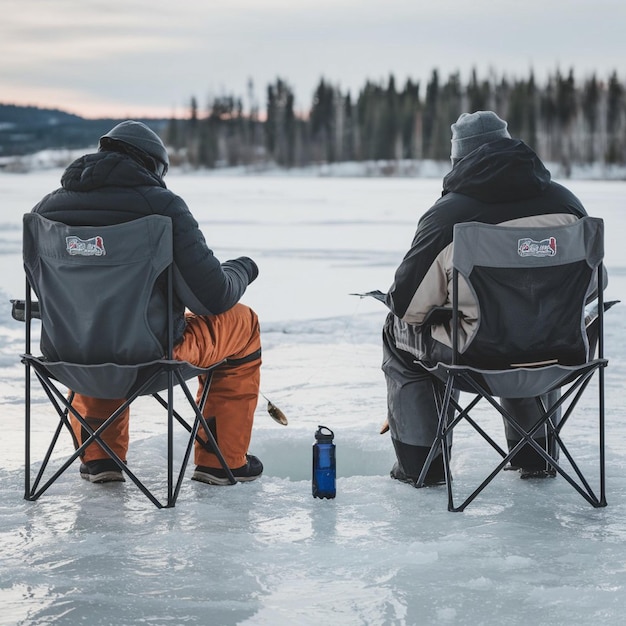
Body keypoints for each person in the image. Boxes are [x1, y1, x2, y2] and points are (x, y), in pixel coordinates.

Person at [31, 120, 263, 486]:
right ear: (153, 166)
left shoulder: (46, 209)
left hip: (68, 357)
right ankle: (223, 460)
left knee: (95, 325)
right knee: (243, 322)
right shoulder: (162, 207)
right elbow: (212, 298)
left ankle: (99, 456)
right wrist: (242, 270)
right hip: (150, 360)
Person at [382, 110, 594, 486]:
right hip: (562, 354)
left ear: (458, 160)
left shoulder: (449, 216)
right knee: (537, 323)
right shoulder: (567, 204)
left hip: (478, 361)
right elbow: (591, 286)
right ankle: (536, 454)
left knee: (396, 333)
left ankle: (422, 465)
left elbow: (409, 306)